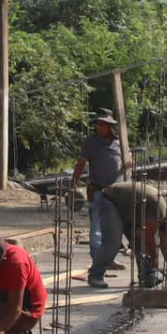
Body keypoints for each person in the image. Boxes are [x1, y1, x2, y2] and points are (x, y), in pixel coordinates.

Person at [88, 181, 167, 289]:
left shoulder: (166, 212)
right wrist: (154, 259)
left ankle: (147, 277)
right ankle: (95, 275)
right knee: (113, 242)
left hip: (128, 208)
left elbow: (165, 240)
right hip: (111, 201)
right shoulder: (160, 209)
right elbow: (149, 237)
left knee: (140, 243)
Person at [68, 110, 125, 267]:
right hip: (98, 190)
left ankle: (109, 258)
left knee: (113, 228)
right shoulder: (91, 142)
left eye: (102, 125)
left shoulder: (119, 143)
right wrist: (74, 183)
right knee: (96, 228)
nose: (99, 127)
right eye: (98, 124)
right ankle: (97, 261)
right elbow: (81, 164)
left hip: (116, 192)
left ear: (109, 126)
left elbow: (126, 163)